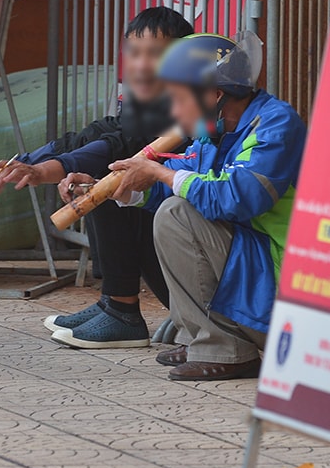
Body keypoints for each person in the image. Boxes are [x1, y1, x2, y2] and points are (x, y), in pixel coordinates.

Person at [0, 7, 193, 348]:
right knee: (100, 177)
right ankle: (114, 303)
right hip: (180, 278)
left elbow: (109, 148)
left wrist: (40, 171)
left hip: (204, 286)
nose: (142, 65)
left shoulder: (188, 113)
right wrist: (13, 170)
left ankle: (122, 310)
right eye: (135, 52)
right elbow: (90, 138)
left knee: (108, 178)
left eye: (156, 55)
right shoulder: (144, 105)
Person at [108, 32, 306, 381]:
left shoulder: (275, 124)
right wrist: (125, 190)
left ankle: (224, 348)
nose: (172, 109)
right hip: (255, 269)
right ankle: (202, 339)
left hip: (289, 286)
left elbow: (237, 198)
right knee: (174, 211)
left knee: (176, 216)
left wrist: (160, 174)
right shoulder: (215, 129)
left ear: (214, 95)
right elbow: (180, 182)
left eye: (178, 98)